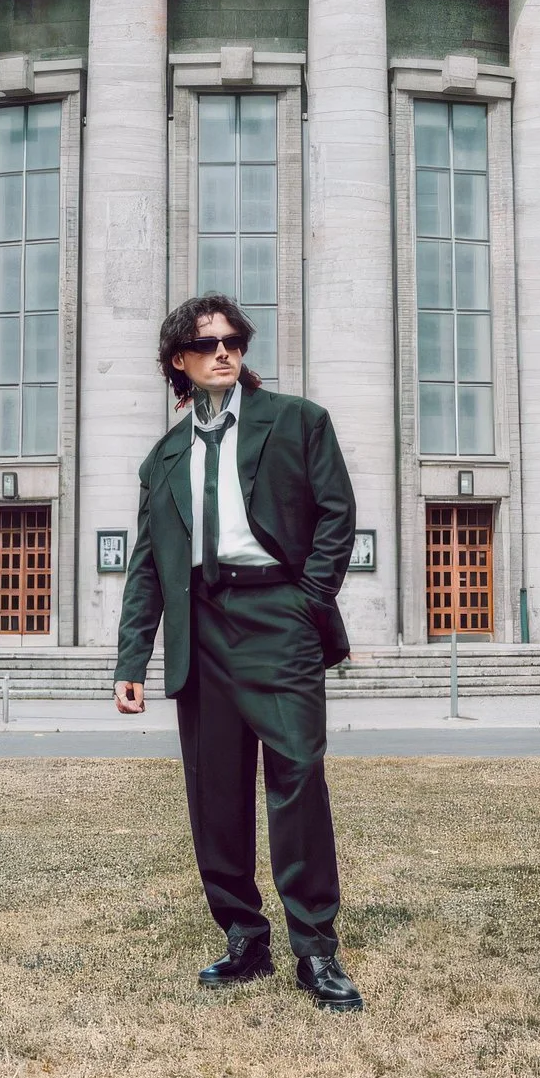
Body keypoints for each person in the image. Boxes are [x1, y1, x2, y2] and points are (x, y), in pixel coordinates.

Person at [113, 294, 365, 1010]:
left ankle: (315, 949)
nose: (223, 351)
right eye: (206, 343)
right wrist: (131, 660)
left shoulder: (298, 421)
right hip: (200, 627)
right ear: (179, 361)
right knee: (215, 792)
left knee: (297, 777)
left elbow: (337, 515)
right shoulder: (163, 458)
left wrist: (307, 602)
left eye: (233, 340)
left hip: (277, 615)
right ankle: (243, 937)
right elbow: (146, 566)